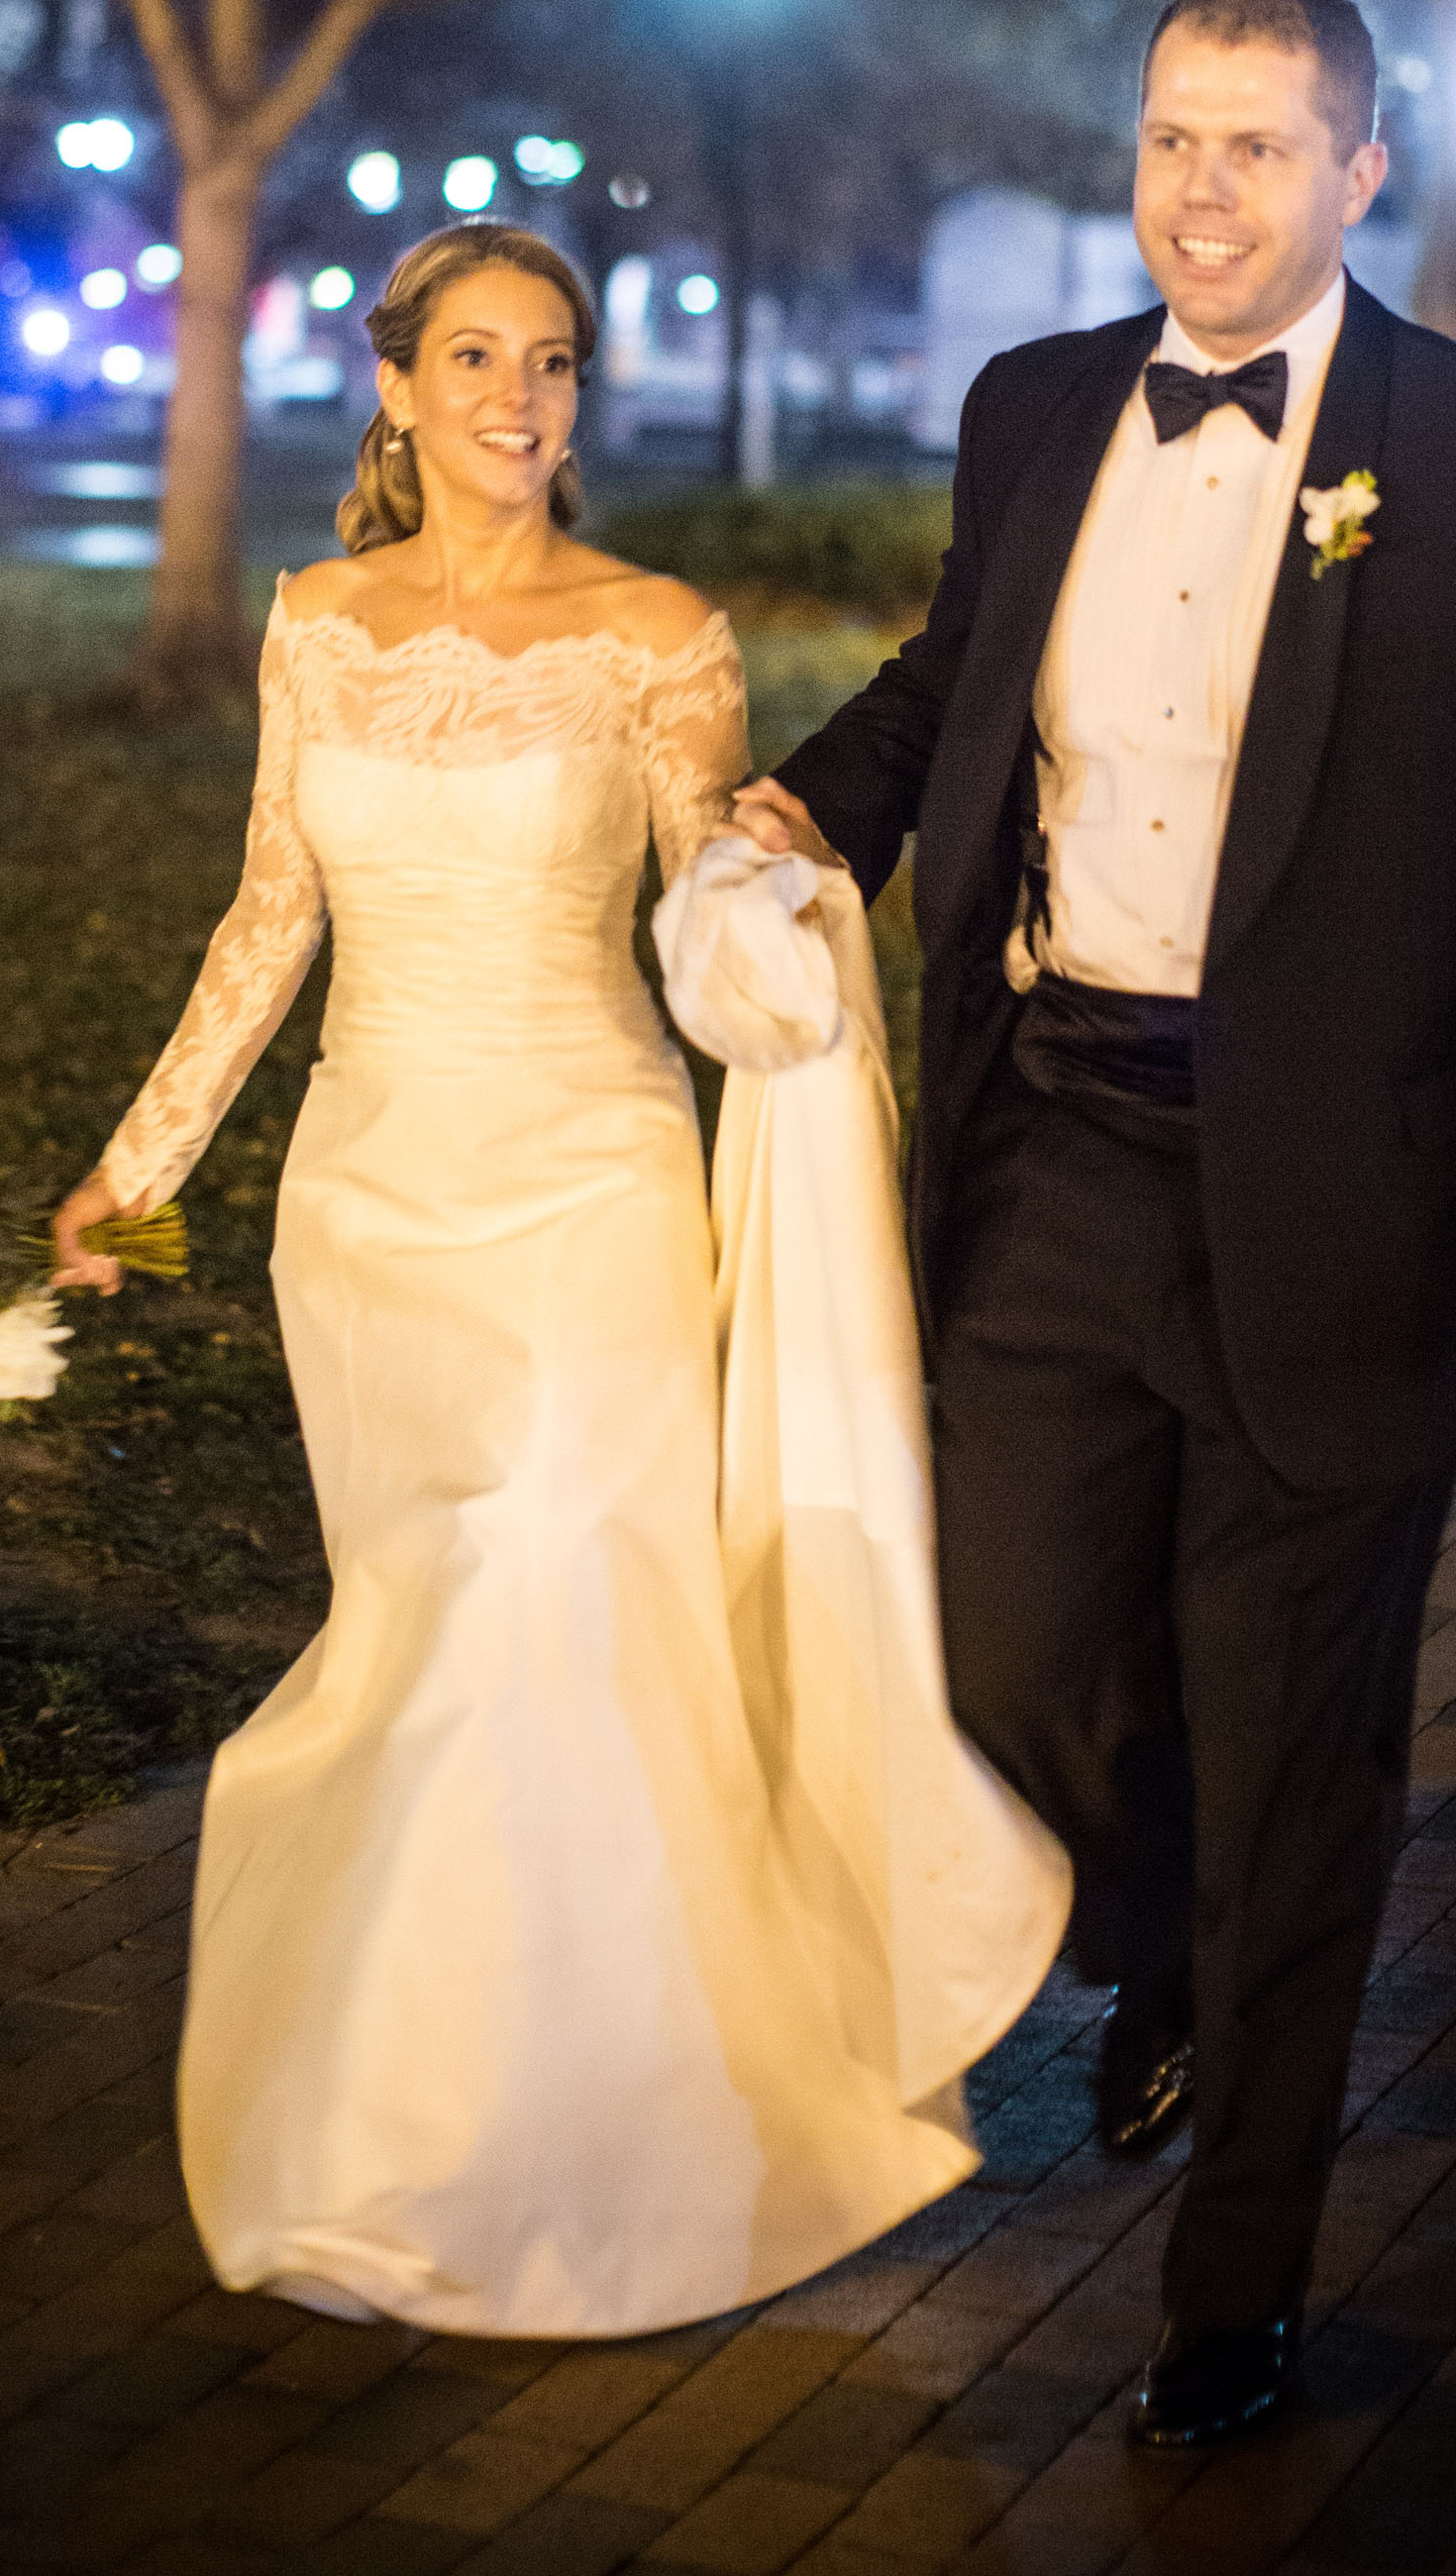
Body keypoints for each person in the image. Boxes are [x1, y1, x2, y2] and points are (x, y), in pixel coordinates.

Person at [736, 0, 1456, 2451]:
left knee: (1294, 1767)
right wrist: (811, 803)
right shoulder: (1032, 403)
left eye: (1256, 145)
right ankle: (1147, 1928)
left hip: (1344, 1214)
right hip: (1051, 1146)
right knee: (1003, 1659)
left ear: (1357, 171)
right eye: (1171, 134)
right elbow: (957, 674)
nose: (1200, 187)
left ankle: (1234, 2282)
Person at [52, 220, 1064, 2338]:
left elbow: (705, 899)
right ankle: (427, 2109)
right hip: (366, 1201)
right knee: (426, 1635)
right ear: (396, 385)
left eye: (554, 360)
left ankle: (610, 2121)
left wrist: (777, 915)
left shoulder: (657, 637)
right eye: (477, 357)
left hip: (591, 1187)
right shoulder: (311, 623)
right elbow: (268, 915)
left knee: (552, 1603)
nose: (519, 396)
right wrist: (131, 1177)